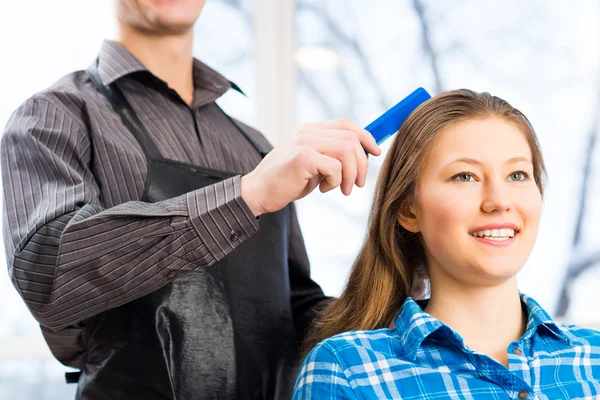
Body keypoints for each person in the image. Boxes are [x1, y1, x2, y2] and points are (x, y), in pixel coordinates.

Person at [0, 0, 381, 398]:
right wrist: (248, 194)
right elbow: (49, 275)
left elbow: (295, 313)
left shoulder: (254, 146)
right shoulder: (55, 116)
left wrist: (398, 296)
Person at [293, 89, 600, 399]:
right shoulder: (347, 370)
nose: (499, 201)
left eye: (517, 174)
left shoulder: (595, 357)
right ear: (409, 210)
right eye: (465, 176)